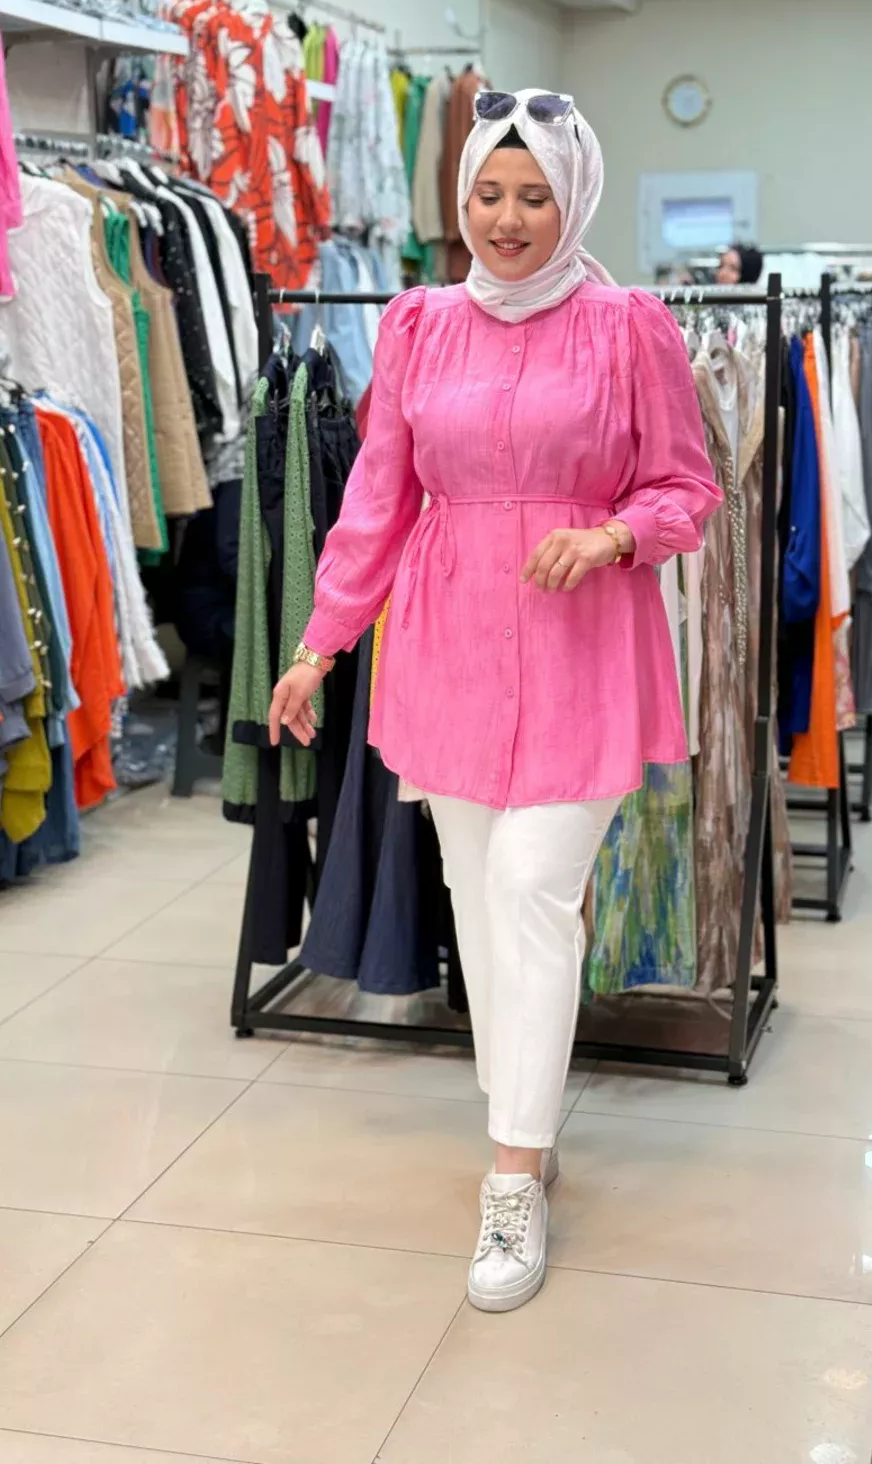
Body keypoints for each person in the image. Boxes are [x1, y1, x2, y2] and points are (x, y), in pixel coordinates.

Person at [268, 89, 722, 1313]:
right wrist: (317, 646)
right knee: (478, 903)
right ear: (460, 199)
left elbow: (686, 488)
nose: (507, 219)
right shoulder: (418, 325)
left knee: (530, 889)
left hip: (585, 651)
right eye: (487, 193)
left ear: (574, 201)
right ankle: (526, 1121)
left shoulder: (629, 327)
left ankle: (511, 1177)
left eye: (533, 196)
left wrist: (615, 535)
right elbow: (377, 501)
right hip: (449, 648)